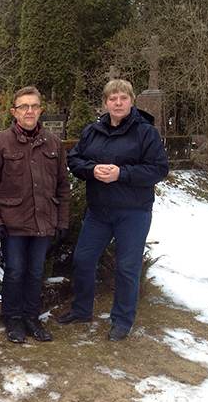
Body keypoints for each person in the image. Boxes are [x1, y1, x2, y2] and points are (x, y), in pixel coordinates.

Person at [56, 79, 169, 341]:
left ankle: (122, 320)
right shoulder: (93, 131)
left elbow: (159, 169)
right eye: (113, 98)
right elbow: (74, 159)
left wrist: (122, 173)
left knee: (127, 267)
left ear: (132, 101)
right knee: (83, 260)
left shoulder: (145, 132)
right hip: (98, 212)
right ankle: (82, 309)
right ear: (105, 103)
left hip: (133, 211)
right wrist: (92, 170)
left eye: (123, 98)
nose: (118, 103)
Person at [0, 86, 70, 344]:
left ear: (40, 110)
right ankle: (13, 318)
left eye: (34, 106)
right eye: (23, 107)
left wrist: (61, 221)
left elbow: (62, 185)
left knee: (35, 270)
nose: (29, 111)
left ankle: (32, 317)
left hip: (43, 220)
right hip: (12, 223)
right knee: (16, 270)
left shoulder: (53, 143)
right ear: (14, 112)